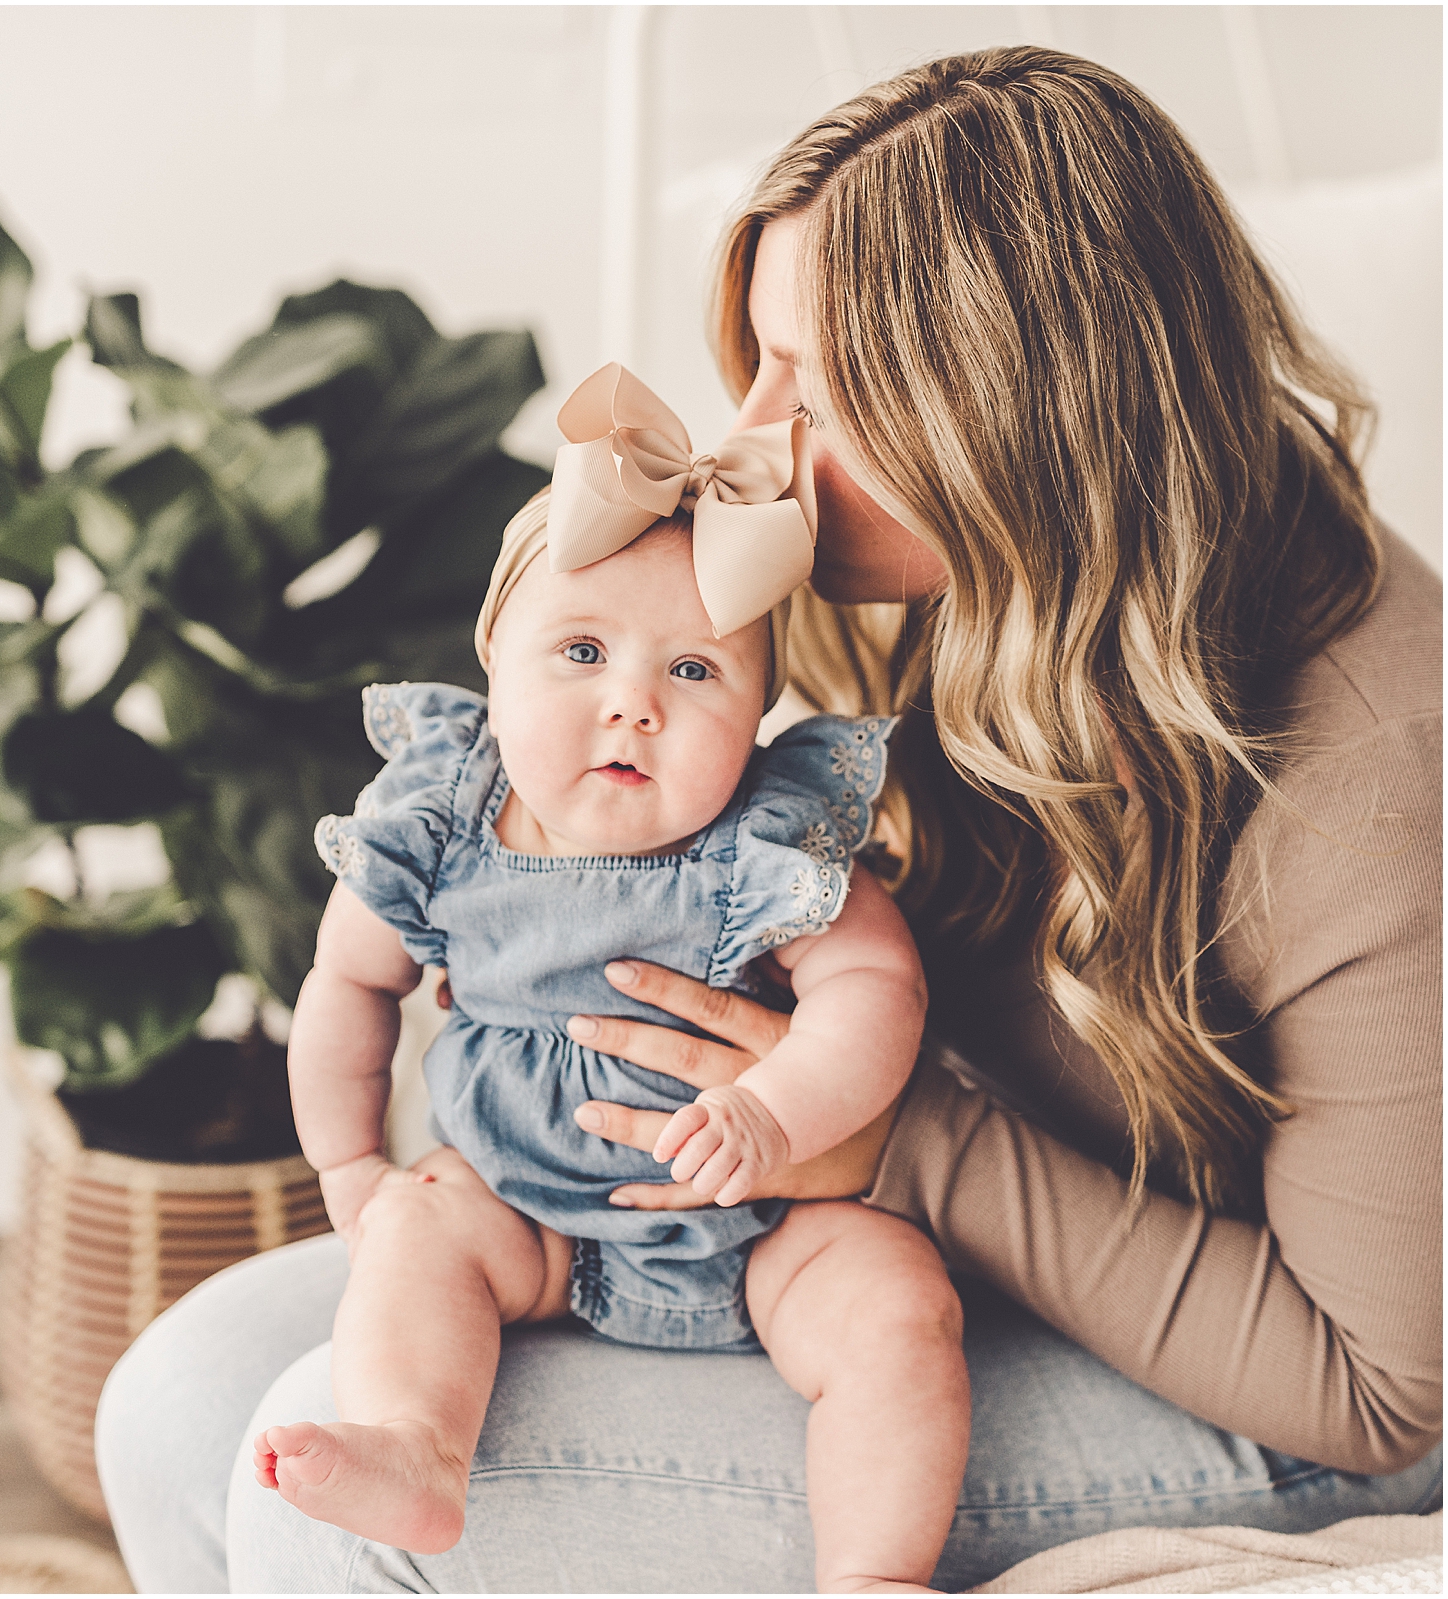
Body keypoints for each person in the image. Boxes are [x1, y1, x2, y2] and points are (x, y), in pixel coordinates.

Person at [96, 45, 1441, 1594]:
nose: (756, 439)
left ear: (1019, 420)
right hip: (815, 1215)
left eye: (819, 389)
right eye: (758, 366)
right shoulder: (929, 567)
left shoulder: (1385, 778)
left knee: (313, 1503)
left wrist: (894, 1136)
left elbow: (1379, 1390)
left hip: (1268, 1391)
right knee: (179, 1404)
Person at [248, 369, 968, 1592]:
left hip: (764, 1230)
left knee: (897, 1306)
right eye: (581, 652)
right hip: (518, 1215)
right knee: (417, 1235)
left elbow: (874, 990)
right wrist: (350, 1164)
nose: (632, 704)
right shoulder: (439, 826)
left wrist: (776, 1112)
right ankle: (418, 1449)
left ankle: (873, 1570)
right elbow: (345, 987)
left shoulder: (765, 841)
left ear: (754, 717)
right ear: (495, 662)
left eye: (695, 674)